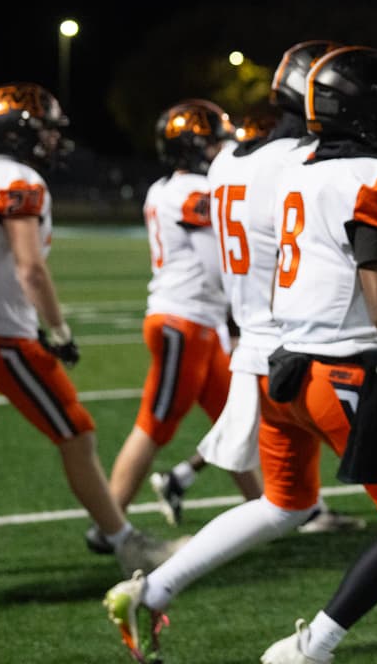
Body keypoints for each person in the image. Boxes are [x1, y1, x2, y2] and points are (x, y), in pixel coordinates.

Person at [105, 45, 377, 664]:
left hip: (270, 349)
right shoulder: (331, 168)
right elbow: (368, 292)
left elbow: (290, 257)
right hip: (332, 359)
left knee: (293, 502)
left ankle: (154, 589)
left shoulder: (240, 162)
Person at [0, 82, 178, 575]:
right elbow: (29, 268)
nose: (53, 141)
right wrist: (58, 332)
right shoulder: (16, 181)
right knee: (76, 430)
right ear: (21, 135)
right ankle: (124, 541)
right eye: (45, 131)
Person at [148, 96, 363, 535]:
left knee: (241, 418)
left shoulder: (187, 182)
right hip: (247, 323)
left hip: (231, 321)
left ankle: (188, 482)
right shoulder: (218, 183)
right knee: (280, 419)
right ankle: (122, 526)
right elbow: (234, 259)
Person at [90, 99, 263, 555]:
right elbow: (217, 264)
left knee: (236, 419)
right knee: (154, 425)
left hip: (198, 322)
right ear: (193, 148)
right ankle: (108, 522)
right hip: (183, 321)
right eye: (214, 142)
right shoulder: (192, 192)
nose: (222, 150)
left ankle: (268, 509)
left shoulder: (171, 188)